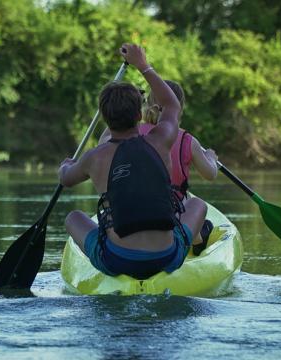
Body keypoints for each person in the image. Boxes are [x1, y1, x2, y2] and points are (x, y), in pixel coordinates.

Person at [59, 43, 207, 280]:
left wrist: (65, 165)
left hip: (118, 260)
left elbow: (66, 179)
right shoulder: (160, 141)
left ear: (105, 119)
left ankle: (102, 255)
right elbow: (172, 105)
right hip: (166, 256)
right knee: (198, 205)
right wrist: (143, 65)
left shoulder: (93, 157)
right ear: (139, 116)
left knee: (73, 218)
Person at [99, 80, 219, 255]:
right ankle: (197, 236)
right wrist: (210, 158)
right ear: (179, 108)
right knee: (192, 202)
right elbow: (210, 174)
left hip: (131, 209)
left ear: (145, 104)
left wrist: (126, 110)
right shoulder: (187, 140)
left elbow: (103, 142)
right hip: (172, 210)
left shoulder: (129, 132)